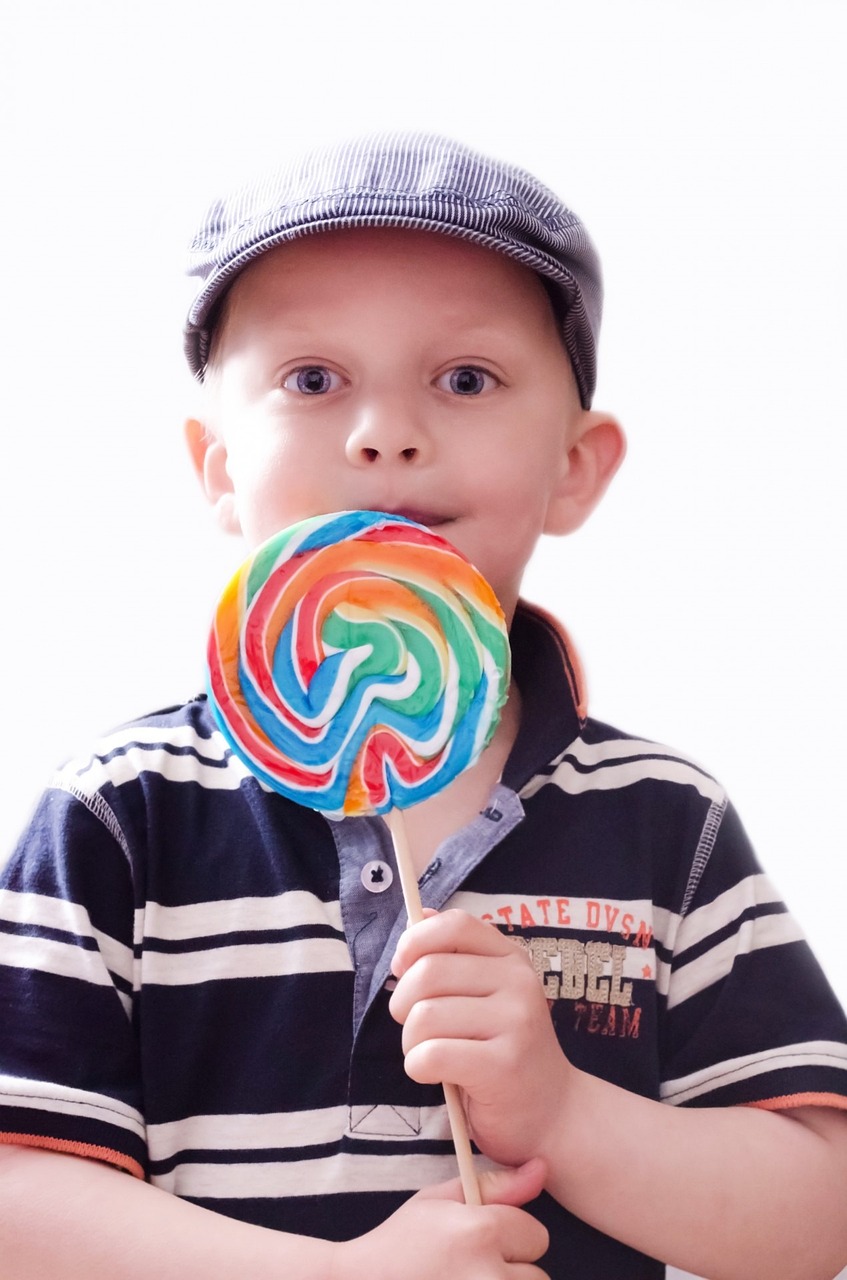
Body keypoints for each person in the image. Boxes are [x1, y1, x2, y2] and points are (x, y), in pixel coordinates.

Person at [1, 133, 846, 1280]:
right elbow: (19, 1196)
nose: (383, 431)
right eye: (312, 379)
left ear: (574, 466)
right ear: (217, 469)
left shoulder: (665, 817)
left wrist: (560, 1113)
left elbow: (816, 1211)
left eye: (464, 378)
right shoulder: (118, 812)